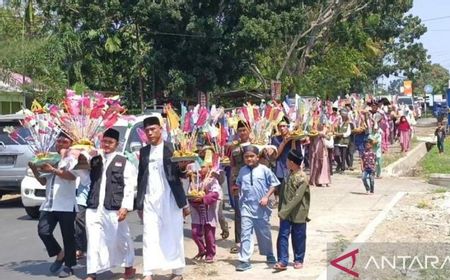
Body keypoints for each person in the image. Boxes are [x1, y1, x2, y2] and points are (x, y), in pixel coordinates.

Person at [136, 116, 190, 280]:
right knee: (149, 234)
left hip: (171, 198)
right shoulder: (144, 151)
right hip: (150, 199)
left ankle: (177, 271)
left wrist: (183, 168)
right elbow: (141, 177)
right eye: (147, 130)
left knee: (174, 233)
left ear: (160, 129)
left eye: (153, 129)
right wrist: (139, 205)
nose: (150, 133)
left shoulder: (172, 148)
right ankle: (148, 272)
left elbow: (181, 174)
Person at [29, 132, 88, 278]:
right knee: (43, 231)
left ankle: (69, 266)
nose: (60, 144)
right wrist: (35, 169)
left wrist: (54, 170)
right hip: (49, 204)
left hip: (66, 205)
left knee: (68, 237)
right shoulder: (50, 158)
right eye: (59, 141)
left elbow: (72, 176)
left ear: (70, 143)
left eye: (64, 141)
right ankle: (59, 253)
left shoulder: (74, 158)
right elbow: (43, 181)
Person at [84, 128, 136, 280]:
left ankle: (128, 267)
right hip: (94, 207)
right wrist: (81, 158)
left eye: (110, 142)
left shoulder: (123, 161)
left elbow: (129, 185)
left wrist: (125, 206)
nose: (106, 144)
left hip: (114, 207)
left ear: (116, 144)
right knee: (93, 240)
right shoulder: (95, 160)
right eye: (104, 141)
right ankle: (91, 272)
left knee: (121, 238)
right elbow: (86, 180)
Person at [234, 145, 280, 271]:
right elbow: (238, 183)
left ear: (257, 157)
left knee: (264, 233)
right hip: (246, 208)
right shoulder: (242, 170)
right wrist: (238, 192)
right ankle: (244, 260)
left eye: (251, 156)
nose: (249, 159)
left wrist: (266, 197)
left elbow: (274, 184)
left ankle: (269, 254)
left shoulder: (264, 169)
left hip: (261, 208)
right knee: (245, 233)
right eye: (246, 157)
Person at [274, 149, 310, 271]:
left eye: (288, 160)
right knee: (283, 235)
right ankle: (282, 260)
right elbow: (283, 193)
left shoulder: (302, 178)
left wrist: (284, 211)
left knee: (298, 236)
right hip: (285, 212)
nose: (286, 162)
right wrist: (281, 208)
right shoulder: (288, 174)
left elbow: (297, 198)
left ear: (292, 162)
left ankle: (298, 259)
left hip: (298, 213)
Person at [188, 161, 222, 263]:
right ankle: (202, 249)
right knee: (195, 233)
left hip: (208, 210)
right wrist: (194, 199)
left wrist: (203, 198)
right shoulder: (194, 180)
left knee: (209, 234)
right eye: (199, 167)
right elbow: (189, 193)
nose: (200, 169)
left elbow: (216, 193)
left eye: (203, 167)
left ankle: (210, 254)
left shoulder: (212, 180)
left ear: (209, 168)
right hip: (197, 209)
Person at [228, 120, 251, 254]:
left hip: (252, 183)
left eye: (244, 130)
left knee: (253, 212)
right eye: (240, 130)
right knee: (238, 212)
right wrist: (232, 183)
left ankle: (252, 239)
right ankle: (238, 241)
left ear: (249, 131)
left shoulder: (256, 145)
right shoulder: (234, 147)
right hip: (238, 182)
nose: (242, 133)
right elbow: (232, 165)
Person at [333, 109, 352, 173]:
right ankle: (339, 163)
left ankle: (342, 168)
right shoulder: (337, 123)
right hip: (337, 141)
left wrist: (342, 134)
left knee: (343, 156)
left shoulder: (348, 124)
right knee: (336, 155)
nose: (342, 117)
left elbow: (348, 133)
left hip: (344, 141)